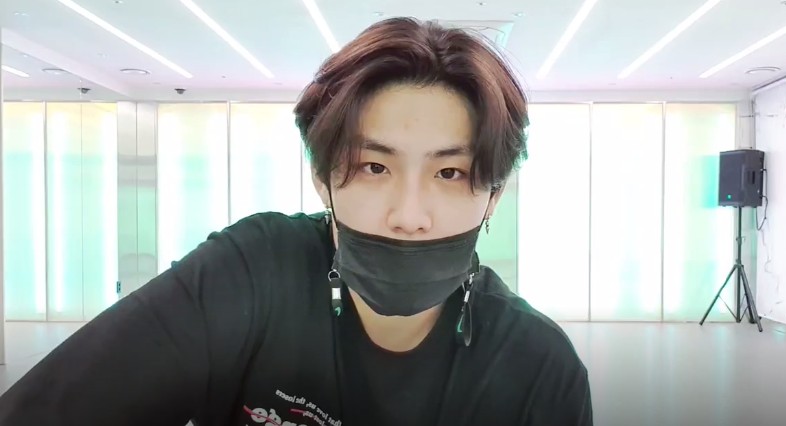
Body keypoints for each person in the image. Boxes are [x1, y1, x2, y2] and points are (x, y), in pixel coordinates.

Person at [0, 17, 592, 425]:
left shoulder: (539, 367)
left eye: (450, 173)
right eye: (374, 166)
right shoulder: (249, 275)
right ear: (322, 178)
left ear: (494, 196)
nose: (408, 216)